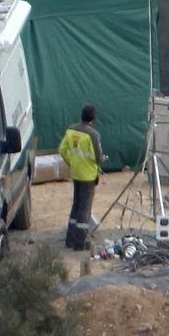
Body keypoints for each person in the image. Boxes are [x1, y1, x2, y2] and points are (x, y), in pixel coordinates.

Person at [59, 104, 106, 250]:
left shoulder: (71, 130)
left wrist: (72, 162)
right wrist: (102, 159)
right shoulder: (92, 134)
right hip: (88, 176)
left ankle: (70, 239)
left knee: (76, 206)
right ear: (93, 118)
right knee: (84, 210)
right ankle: (80, 242)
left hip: (76, 173)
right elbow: (98, 157)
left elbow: (62, 149)